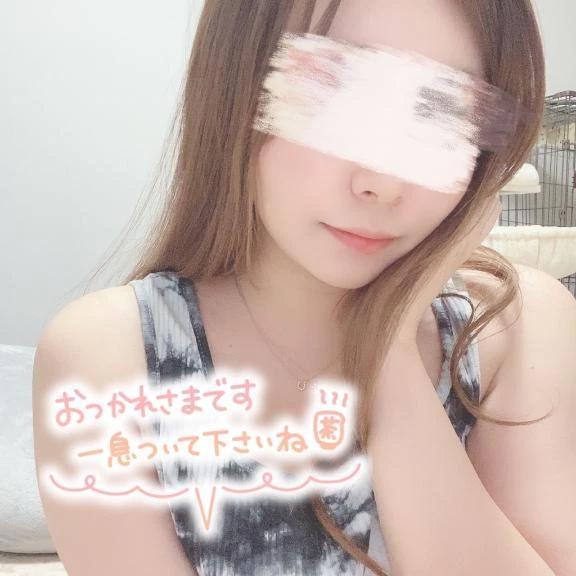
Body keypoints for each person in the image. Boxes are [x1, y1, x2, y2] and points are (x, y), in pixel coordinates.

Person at [33, 1, 576, 575]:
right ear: (236, 82)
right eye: (334, 92)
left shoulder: (517, 326)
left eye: (443, 115)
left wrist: (389, 352)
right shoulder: (110, 359)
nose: (383, 182)